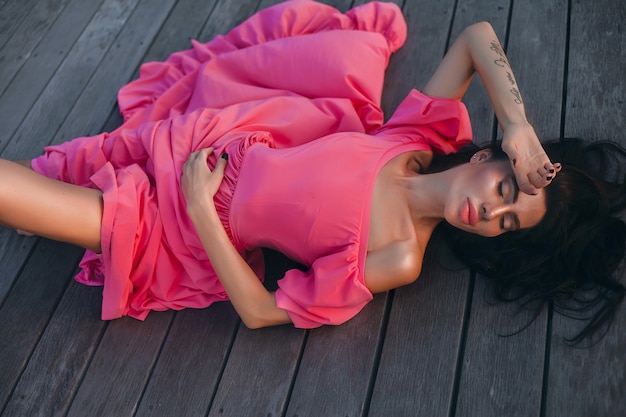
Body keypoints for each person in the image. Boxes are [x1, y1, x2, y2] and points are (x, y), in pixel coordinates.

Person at [1, 1, 622, 340]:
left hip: (186, 226)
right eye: (506, 190)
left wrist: (199, 210)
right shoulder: (418, 138)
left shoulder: (399, 254)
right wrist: (518, 124)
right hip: (213, 141)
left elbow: (262, 311)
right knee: (57, 179)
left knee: (44, 202)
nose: (491, 212)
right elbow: (477, 36)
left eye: (507, 224)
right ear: (488, 156)